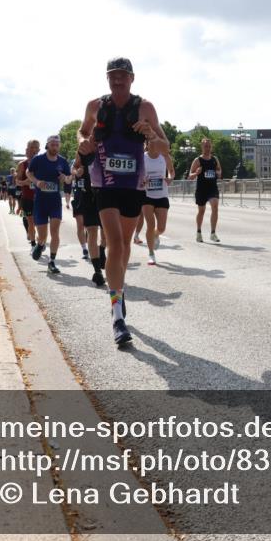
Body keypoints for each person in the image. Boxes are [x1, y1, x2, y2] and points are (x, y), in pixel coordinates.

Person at [77, 56, 169, 346]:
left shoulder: (145, 107)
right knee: (114, 242)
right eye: (112, 76)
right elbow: (83, 131)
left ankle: (118, 289)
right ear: (107, 78)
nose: (117, 80)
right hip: (104, 179)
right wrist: (83, 141)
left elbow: (164, 146)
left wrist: (151, 135)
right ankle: (117, 315)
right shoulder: (95, 105)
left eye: (122, 76)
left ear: (132, 78)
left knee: (125, 244)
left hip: (133, 182)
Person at [27, 135, 72, 274]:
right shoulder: (38, 159)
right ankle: (40, 245)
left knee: (55, 232)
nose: (55, 147)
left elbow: (69, 179)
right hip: (40, 202)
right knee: (42, 235)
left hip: (55, 202)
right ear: (47, 145)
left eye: (57, 145)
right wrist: (36, 182)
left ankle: (52, 262)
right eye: (52, 144)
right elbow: (29, 172)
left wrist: (66, 178)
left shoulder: (63, 161)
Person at [71, 154, 106, 286]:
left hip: (105, 193)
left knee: (106, 233)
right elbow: (73, 168)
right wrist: (77, 172)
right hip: (87, 196)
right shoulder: (84, 149)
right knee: (92, 231)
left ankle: (102, 248)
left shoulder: (108, 143)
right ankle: (97, 271)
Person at [139, 140, 175, 265]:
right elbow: (137, 174)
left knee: (161, 227)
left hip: (161, 195)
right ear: (147, 144)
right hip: (147, 195)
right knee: (150, 224)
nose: (154, 145)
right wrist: (142, 181)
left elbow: (171, 170)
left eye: (156, 143)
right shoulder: (142, 157)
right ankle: (151, 254)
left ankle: (155, 234)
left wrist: (170, 178)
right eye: (151, 143)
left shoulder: (164, 156)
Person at [188, 138, 221, 243]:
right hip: (202, 189)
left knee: (215, 206)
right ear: (202, 147)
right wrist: (196, 173)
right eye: (206, 146)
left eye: (209, 146)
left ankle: (213, 233)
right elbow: (190, 176)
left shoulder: (215, 159)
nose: (208, 148)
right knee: (201, 211)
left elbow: (219, 169)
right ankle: (198, 232)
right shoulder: (197, 160)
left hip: (212, 188)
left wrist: (219, 173)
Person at [15, 140, 41, 250]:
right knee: (31, 221)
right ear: (27, 149)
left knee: (40, 222)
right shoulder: (22, 164)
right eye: (31, 147)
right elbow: (16, 181)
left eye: (36, 148)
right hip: (28, 197)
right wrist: (24, 182)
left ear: (39, 150)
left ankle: (40, 240)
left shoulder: (43, 162)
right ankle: (33, 243)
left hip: (41, 197)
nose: (34, 150)